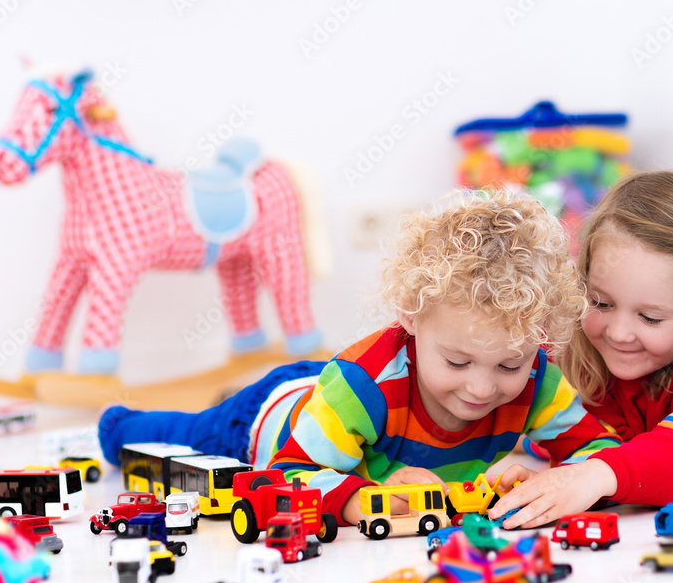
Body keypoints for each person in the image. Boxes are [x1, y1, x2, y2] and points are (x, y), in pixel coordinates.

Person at [98, 189, 622, 527]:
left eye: (508, 365)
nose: (483, 389)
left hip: (335, 398)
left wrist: (553, 480)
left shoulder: (535, 380)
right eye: (458, 363)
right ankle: (116, 425)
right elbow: (291, 474)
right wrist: (363, 497)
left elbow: (598, 451)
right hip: (267, 418)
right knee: (178, 442)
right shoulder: (365, 387)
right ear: (411, 320)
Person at [491, 171, 673, 528]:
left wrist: (592, 477)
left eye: (650, 318)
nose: (619, 333)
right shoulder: (567, 346)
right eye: (601, 303)